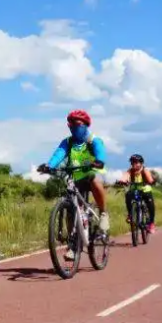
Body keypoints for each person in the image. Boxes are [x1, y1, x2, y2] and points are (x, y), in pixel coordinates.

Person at [37, 109, 109, 259]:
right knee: (71, 209)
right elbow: (59, 153)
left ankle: (103, 213)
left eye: (77, 124)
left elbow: (100, 151)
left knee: (94, 180)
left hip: (91, 173)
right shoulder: (68, 142)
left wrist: (99, 160)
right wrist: (49, 166)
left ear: (85, 124)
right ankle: (73, 245)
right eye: (70, 124)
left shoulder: (93, 140)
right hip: (75, 178)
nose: (73, 127)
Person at [118, 153, 156, 234]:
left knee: (151, 205)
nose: (133, 164)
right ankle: (130, 214)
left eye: (135, 162)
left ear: (141, 163)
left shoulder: (144, 170)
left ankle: (151, 223)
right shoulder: (130, 171)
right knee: (128, 196)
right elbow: (125, 175)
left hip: (145, 191)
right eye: (132, 162)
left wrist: (151, 181)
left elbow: (149, 178)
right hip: (134, 190)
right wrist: (122, 180)